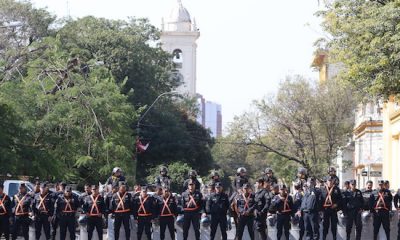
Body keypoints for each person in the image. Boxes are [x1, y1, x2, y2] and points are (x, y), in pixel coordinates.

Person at [321, 176, 342, 240]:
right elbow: (320, 199)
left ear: (333, 181)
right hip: (325, 210)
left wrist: (337, 204)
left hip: (333, 209)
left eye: (331, 181)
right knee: (325, 225)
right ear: (326, 181)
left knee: (334, 225)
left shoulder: (336, 189)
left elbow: (340, 199)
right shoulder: (323, 189)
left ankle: (334, 238)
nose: (330, 182)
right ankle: (324, 238)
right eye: (329, 181)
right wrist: (321, 209)